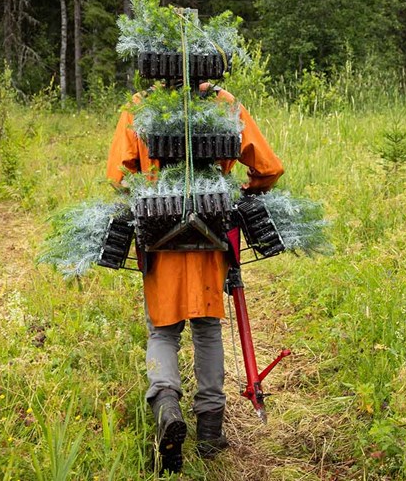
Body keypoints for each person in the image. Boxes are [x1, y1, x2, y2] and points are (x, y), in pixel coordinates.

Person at [106, 82, 283, 472]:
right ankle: (209, 433)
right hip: (210, 236)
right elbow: (269, 167)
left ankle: (167, 406)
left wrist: (151, 188)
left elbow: (119, 176)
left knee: (162, 332)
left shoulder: (140, 106)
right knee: (207, 329)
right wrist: (240, 188)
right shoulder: (223, 104)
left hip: (158, 239)